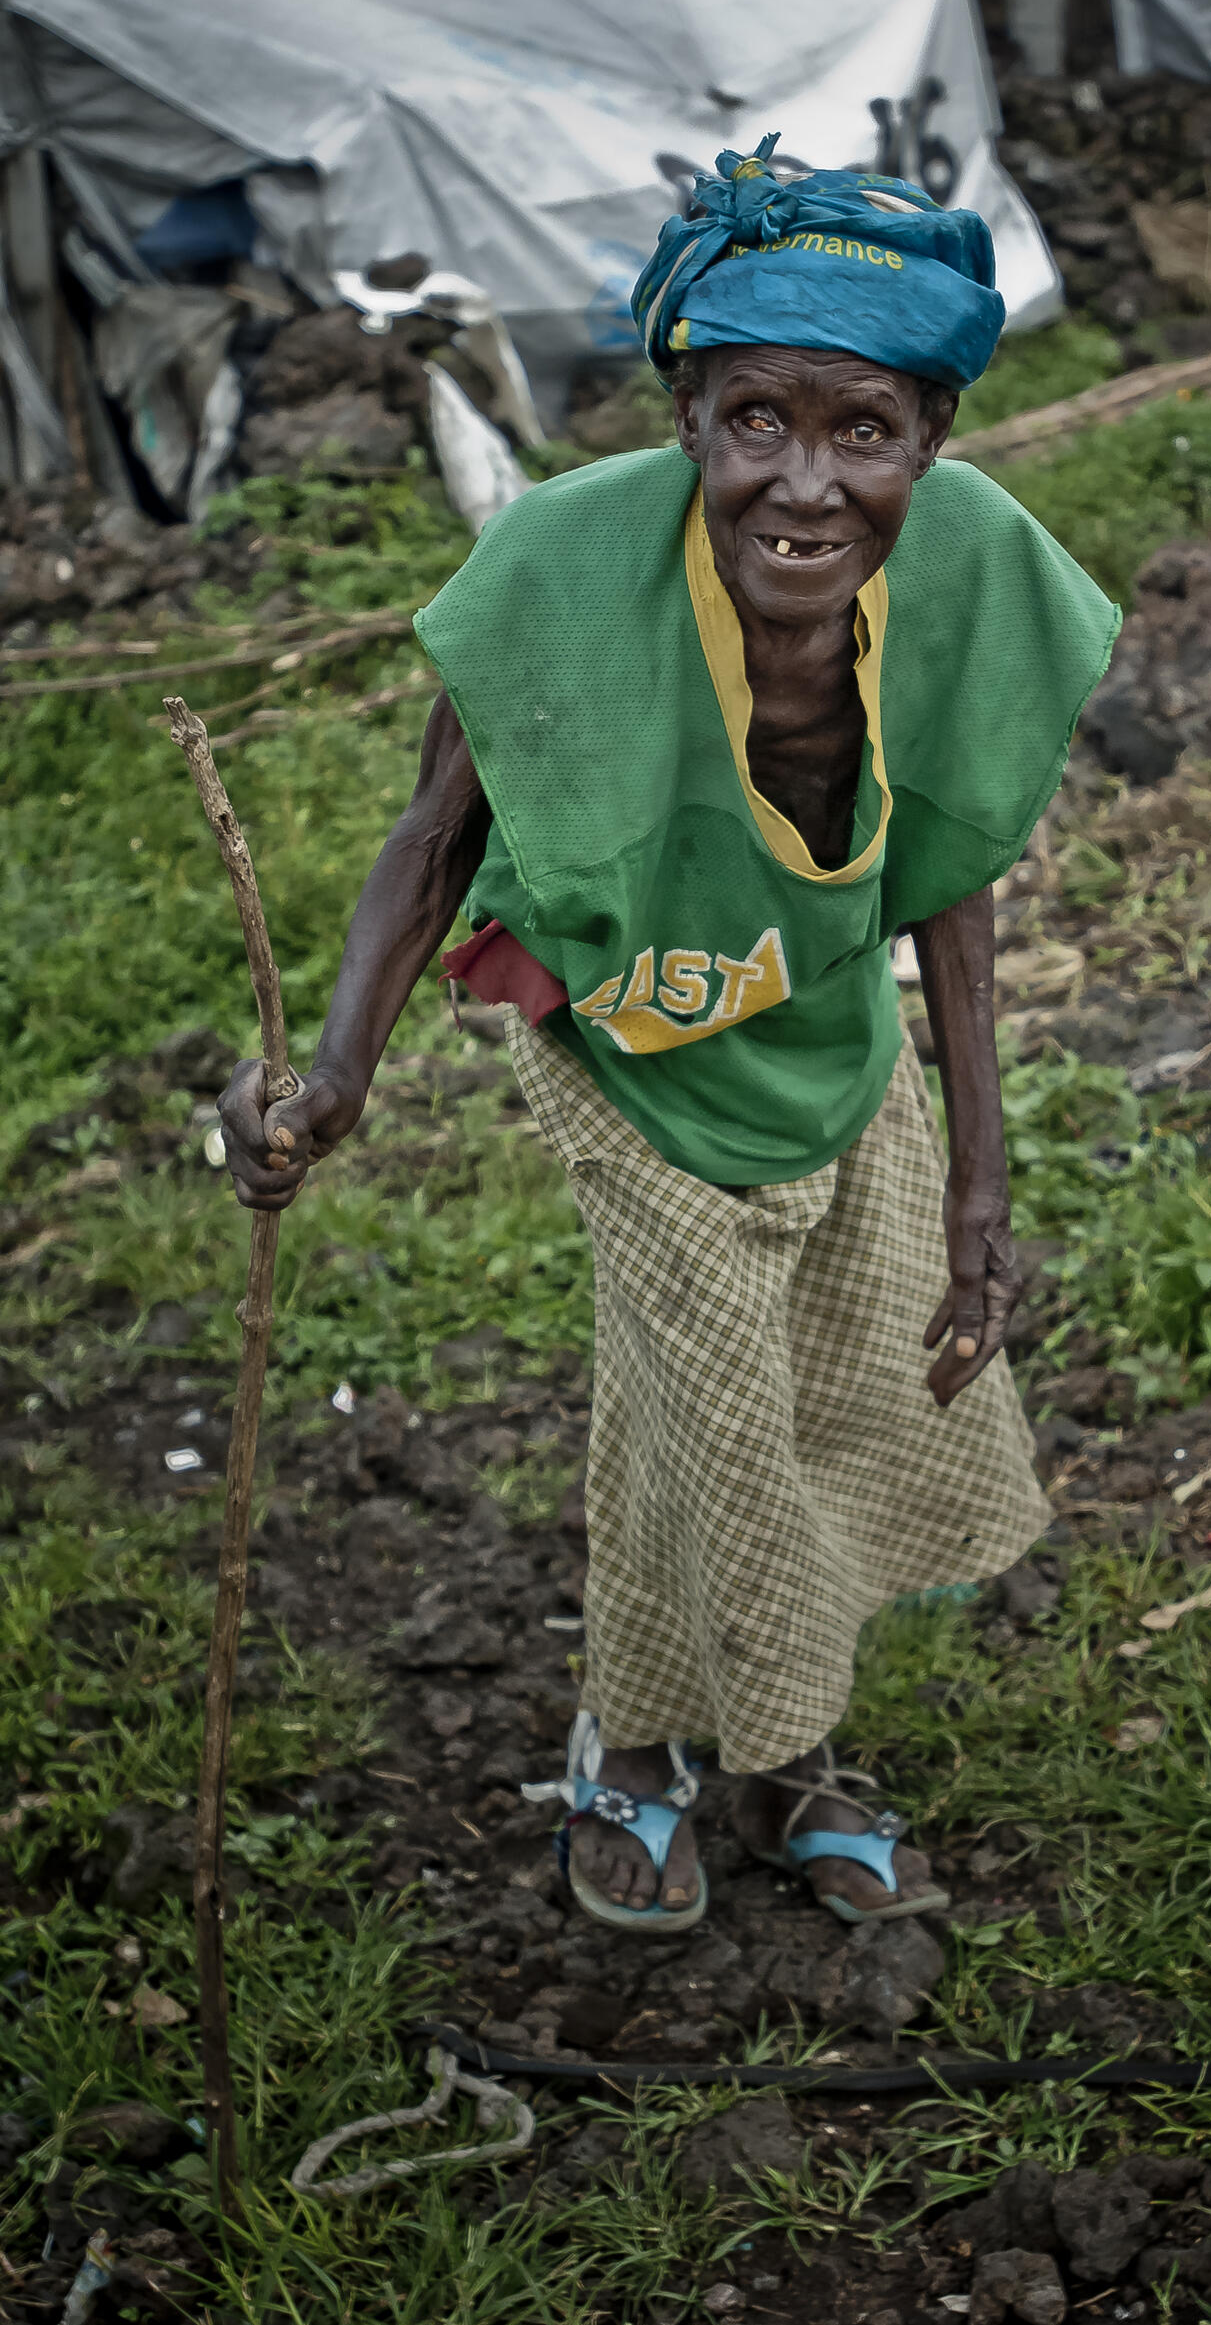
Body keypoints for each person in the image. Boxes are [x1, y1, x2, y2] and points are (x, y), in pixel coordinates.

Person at [219, 137, 1118, 1936]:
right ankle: (644, 1746)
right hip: (626, 1037)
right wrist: (333, 1079)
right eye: (756, 420)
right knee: (708, 1402)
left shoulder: (968, 578)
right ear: (688, 415)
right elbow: (436, 838)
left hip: (830, 1023)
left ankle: (773, 1750)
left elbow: (950, 874)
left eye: (863, 431)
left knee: (837, 1380)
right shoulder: (564, 570)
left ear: (932, 440)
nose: (806, 482)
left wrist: (979, 1189)